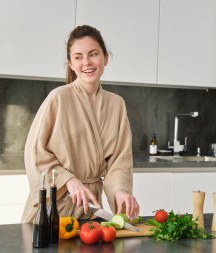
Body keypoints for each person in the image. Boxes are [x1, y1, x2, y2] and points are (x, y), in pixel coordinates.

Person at [22, 25, 139, 223]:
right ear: (70, 63)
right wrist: (68, 180)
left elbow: (120, 160)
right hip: (54, 211)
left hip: (91, 212)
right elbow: (35, 153)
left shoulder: (116, 104)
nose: (86, 63)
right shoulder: (58, 98)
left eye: (93, 54)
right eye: (78, 57)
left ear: (105, 58)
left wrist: (119, 191)